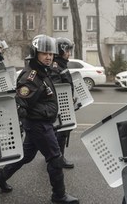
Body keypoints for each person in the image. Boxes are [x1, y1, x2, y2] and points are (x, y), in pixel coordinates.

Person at [0, 35, 79, 204]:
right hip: (39, 125)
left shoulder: (42, 72)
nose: (48, 57)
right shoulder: (31, 77)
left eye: (51, 54)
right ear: (35, 53)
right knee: (55, 157)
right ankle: (59, 196)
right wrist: (44, 113)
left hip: (40, 124)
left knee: (26, 156)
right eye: (44, 53)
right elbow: (20, 104)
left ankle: (0, 177)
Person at [50, 37, 75, 169]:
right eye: (67, 51)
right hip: (60, 108)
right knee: (60, 132)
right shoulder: (56, 67)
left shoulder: (60, 65)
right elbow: (58, 91)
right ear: (60, 50)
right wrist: (64, 106)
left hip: (64, 106)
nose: (69, 54)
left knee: (59, 132)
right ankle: (58, 158)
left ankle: (54, 156)